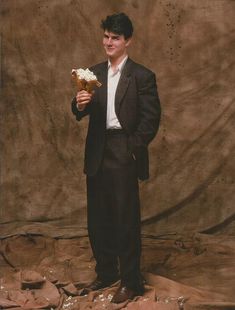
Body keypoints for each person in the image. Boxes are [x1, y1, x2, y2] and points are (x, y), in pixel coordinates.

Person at [71, 12, 161, 303]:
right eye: (106, 36)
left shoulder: (142, 76)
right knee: (98, 219)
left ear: (128, 41)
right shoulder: (93, 73)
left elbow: (151, 120)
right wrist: (78, 103)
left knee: (125, 220)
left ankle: (131, 281)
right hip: (97, 151)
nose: (109, 42)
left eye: (115, 37)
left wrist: (131, 148)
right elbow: (80, 109)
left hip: (124, 149)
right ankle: (107, 272)